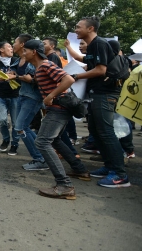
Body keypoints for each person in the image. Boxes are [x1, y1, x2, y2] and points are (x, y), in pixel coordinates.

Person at [24, 40, 91, 199]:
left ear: (34, 52)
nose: (23, 53)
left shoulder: (46, 65)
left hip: (59, 108)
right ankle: (79, 169)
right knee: (55, 140)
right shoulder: (40, 67)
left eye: (25, 50)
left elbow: (68, 79)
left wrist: (50, 96)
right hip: (58, 108)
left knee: (42, 142)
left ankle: (64, 185)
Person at [71, 16, 130, 187]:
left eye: (78, 27)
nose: (75, 30)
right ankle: (109, 166)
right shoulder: (93, 46)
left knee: (106, 132)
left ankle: (120, 174)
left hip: (105, 94)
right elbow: (89, 63)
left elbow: (100, 70)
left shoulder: (99, 43)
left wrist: (75, 76)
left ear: (90, 29)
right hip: (96, 93)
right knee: (96, 131)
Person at [11, 34, 48, 169]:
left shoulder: (36, 61)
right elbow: (20, 77)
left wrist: (29, 79)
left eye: (14, 42)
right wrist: (11, 77)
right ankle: (42, 157)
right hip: (22, 95)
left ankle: (40, 158)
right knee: (22, 127)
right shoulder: (17, 61)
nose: (12, 45)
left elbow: (40, 78)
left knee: (20, 127)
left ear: (22, 45)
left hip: (32, 97)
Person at [0, 41, 20, 153]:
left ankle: (15, 144)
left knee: (16, 122)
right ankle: (6, 140)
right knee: (2, 120)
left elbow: (21, 75)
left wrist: (13, 76)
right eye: (9, 47)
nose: (11, 48)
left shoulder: (17, 61)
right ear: (1, 50)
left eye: (12, 47)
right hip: (1, 95)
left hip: (15, 95)